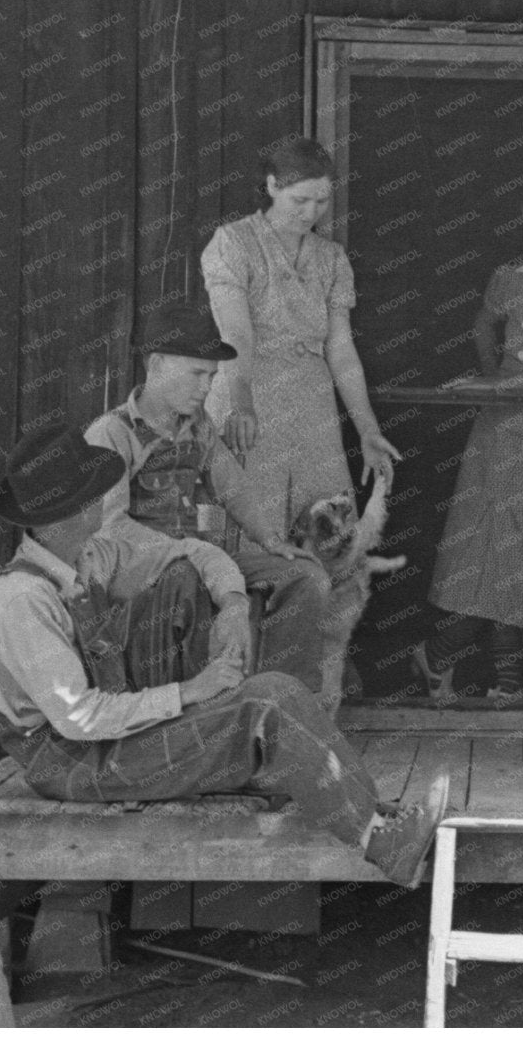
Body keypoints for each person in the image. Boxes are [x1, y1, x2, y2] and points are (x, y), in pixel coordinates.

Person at [0, 423, 449, 887]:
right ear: (65, 516)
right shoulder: (20, 601)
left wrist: (233, 605)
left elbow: (193, 553)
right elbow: (79, 718)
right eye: (90, 495)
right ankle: (384, 846)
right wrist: (189, 692)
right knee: (262, 709)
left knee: (278, 687)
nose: (102, 501)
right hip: (75, 761)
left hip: (104, 734)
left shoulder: (91, 556)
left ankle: (376, 819)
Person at [202, 137, 402, 703]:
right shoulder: (232, 244)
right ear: (271, 187)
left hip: (311, 405)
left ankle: (310, 695)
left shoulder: (331, 259)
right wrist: (240, 399)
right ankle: (235, 693)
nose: (311, 213)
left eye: (321, 202)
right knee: (251, 539)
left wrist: (365, 428)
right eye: (300, 201)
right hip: (249, 395)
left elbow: (341, 349)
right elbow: (234, 334)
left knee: (323, 538)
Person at [84, 304, 332, 698]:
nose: (206, 388)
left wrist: (269, 538)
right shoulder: (112, 433)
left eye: (212, 377)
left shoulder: (198, 426)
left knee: (305, 576)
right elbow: (110, 528)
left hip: (203, 558)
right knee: (188, 580)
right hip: (150, 572)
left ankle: (286, 699)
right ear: (158, 364)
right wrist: (195, 554)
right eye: (197, 374)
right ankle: (209, 711)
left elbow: (232, 483)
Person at [412, 194, 523, 706]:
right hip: (498, 430)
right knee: (480, 549)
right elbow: (482, 324)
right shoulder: (511, 277)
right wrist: (490, 374)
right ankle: (496, 680)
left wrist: (493, 387)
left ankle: (446, 659)